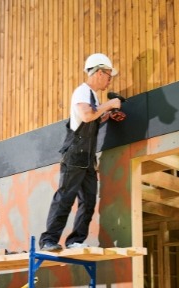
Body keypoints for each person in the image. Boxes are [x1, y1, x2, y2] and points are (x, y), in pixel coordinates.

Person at [39, 53, 123, 252]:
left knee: (89, 200)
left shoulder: (93, 96)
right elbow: (86, 116)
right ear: (99, 72)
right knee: (65, 197)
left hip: (87, 157)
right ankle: (49, 240)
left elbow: (92, 120)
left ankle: (75, 240)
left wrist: (107, 116)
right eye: (109, 74)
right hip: (75, 153)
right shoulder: (82, 91)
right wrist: (110, 104)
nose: (110, 79)